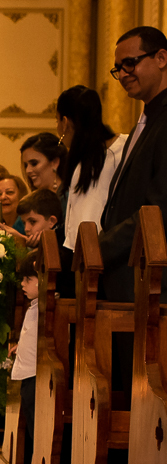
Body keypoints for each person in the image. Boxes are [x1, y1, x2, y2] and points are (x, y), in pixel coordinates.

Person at [99, 26, 167, 303]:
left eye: (130, 63)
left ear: (161, 58)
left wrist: (98, 246)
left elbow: (159, 210)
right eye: (118, 68)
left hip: (150, 283)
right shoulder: (145, 120)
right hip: (127, 282)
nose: (123, 74)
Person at [56, 85, 127, 252]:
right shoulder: (128, 144)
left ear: (65, 122)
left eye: (56, 120)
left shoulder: (85, 167)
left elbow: (80, 234)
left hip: (98, 257)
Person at [10, 251, 40, 464]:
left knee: (36, 423)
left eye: (28, 279)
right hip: (28, 372)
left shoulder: (48, 307)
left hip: (37, 374)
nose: (23, 283)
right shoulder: (35, 305)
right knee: (30, 416)